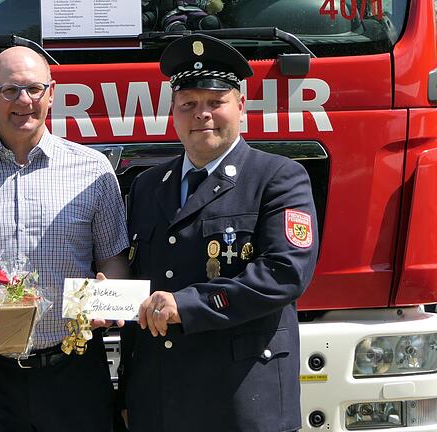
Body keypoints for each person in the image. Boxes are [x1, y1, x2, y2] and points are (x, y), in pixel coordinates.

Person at [118, 34, 319, 432]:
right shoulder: (147, 185)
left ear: (241, 106)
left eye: (215, 102)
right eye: (189, 104)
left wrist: (188, 306)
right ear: (172, 112)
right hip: (159, 401)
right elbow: (141, 281)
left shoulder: (278, 177)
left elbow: (284, 273)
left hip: (242, 399)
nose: (202, 114)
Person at [0, 46, 129, 432]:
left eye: (35, 89)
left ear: (52, 93)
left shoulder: (94, 169)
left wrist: (112, 294)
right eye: (10, 90)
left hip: (73, 371)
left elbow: (112, 259)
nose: (24, 101)